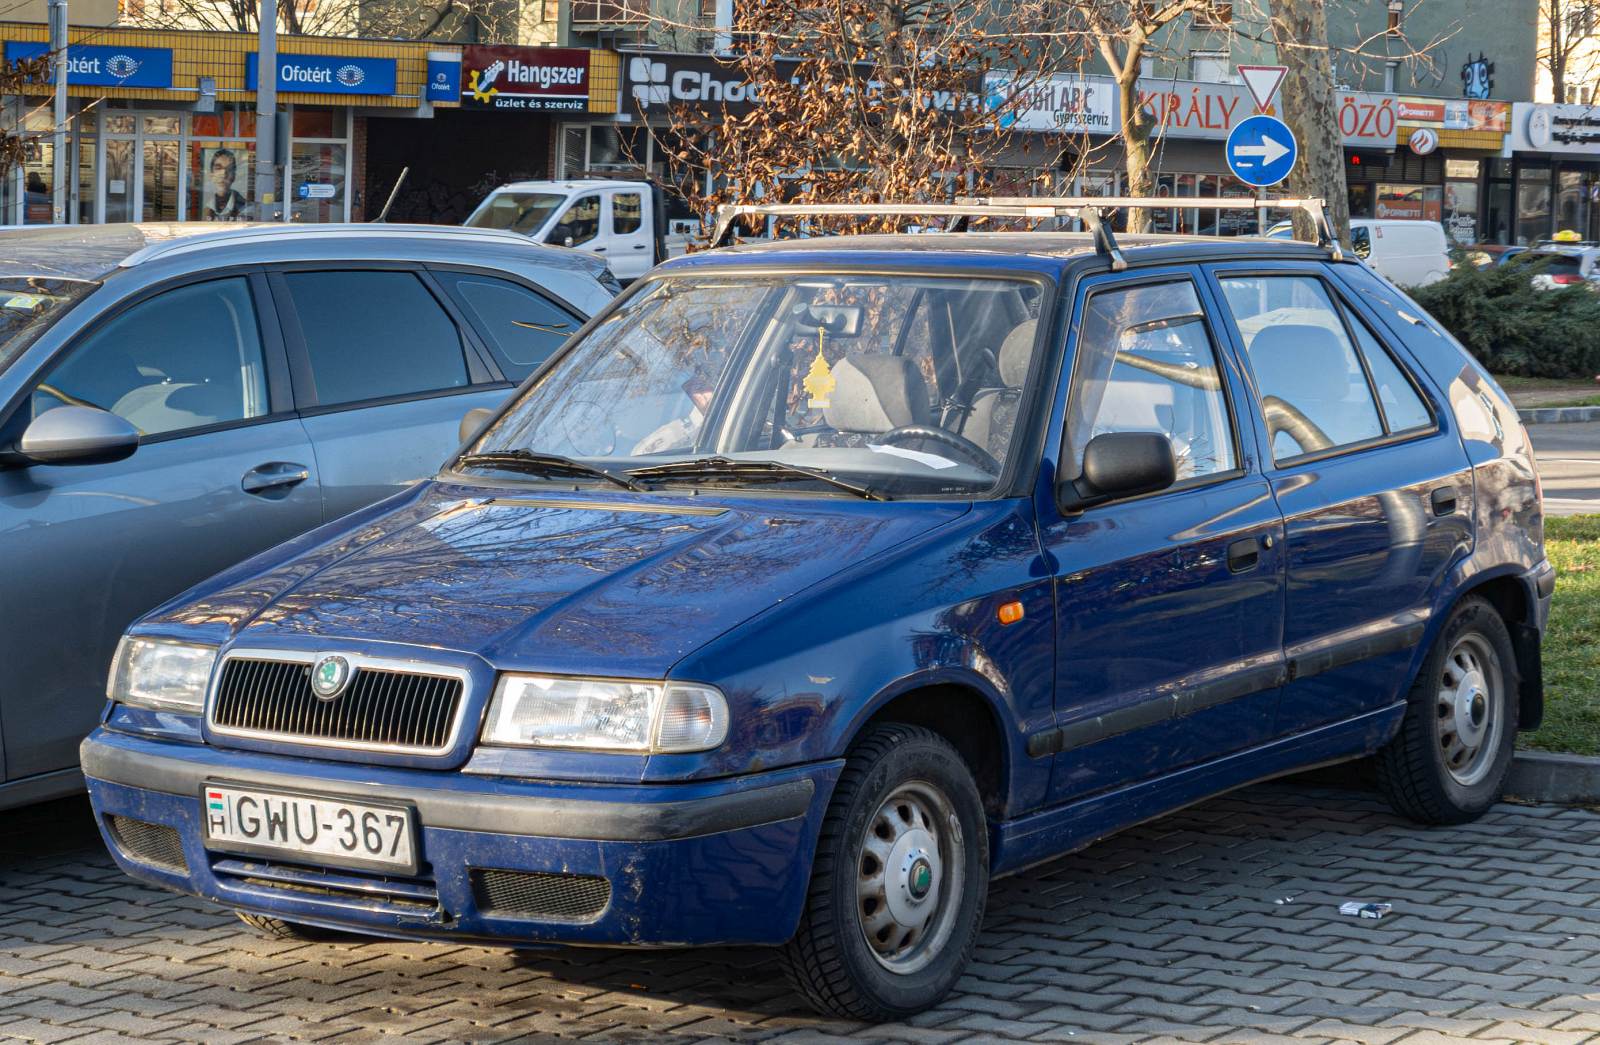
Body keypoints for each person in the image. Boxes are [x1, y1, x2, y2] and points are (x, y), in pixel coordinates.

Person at [632, 374, 716, 455]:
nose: (709, 391)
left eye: (702, 386)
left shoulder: (709, 419)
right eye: (699, 388)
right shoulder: (643, 451)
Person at [204, 149, 248, 221]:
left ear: (234, 176)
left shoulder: (243, 207)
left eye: (229, 169)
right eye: (218, 168)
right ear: (211, 174)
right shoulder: (205, 207)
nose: (223, 174)